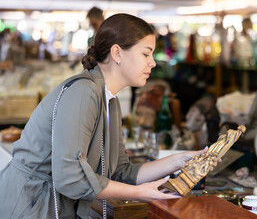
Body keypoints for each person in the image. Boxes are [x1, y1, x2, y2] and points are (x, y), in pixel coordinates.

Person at [0, 13, 208, 218]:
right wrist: (139, 193)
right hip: (30, 204)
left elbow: (120, 172)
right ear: (117, 53)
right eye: (146, 54)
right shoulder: (83, 92)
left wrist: (179, 160)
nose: (152, 62)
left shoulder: (109, 100)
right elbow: (69, 177)